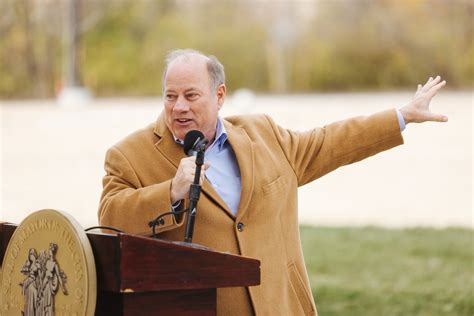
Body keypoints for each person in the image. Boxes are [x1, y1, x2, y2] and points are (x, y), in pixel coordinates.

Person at [98, 49, 447, 315]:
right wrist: (171, 192)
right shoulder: (129, 155)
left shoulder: (262, 134)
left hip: (282, 305)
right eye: (170, 96)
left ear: (219, 95)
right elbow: (110, 216)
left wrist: (401, 117)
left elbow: (329, 142)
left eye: (191, 96)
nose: (178, 107)